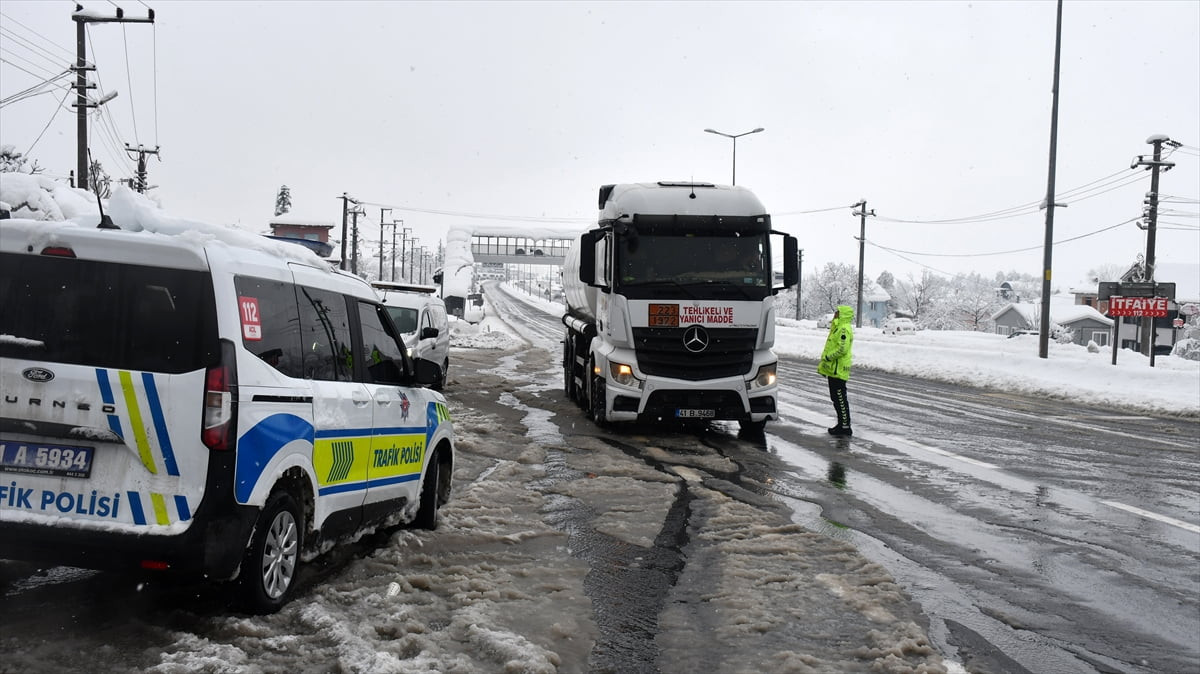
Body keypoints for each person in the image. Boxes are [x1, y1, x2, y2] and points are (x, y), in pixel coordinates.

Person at [818, 305, 855, 436]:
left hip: (838, 370)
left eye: (838, 312)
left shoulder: (844, 329)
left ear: (843, 314)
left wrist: (828, 357)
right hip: (834, 369)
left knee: (840, 398)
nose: (835, 314)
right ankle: (841, 424)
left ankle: (845, 426)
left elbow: (842, 349)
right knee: (836, 398)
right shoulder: (838, 327)